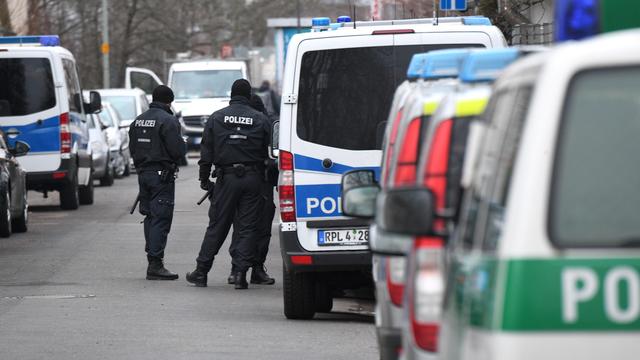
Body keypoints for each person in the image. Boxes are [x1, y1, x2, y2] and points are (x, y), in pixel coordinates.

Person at [186, 79, 271, 290]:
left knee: (218, 225)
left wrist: (204, 179)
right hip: (253, 178)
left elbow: (206, 153)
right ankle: (240, 274)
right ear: (249, 94)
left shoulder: (217, 117)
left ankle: (201, 271)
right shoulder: (260, 119)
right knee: (248, 227)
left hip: (227, 178)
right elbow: (270, 151)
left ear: (231, 94)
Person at [129, 85, 186, 280]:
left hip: (143, 174)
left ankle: (152, 259)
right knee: (161, 217)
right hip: (161, 176)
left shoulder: (137, 121)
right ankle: (155, 264)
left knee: (150, 216)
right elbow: (178, 152)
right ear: (169, 101)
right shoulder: (168, 121)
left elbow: (133, 149)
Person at [227, 94, 278, 286]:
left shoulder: (261, 123)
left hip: (253, 181)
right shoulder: (267, 122)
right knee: (257, 227)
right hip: (260, 182)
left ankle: (240, 269)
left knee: (243, 226)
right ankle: (251, 268)